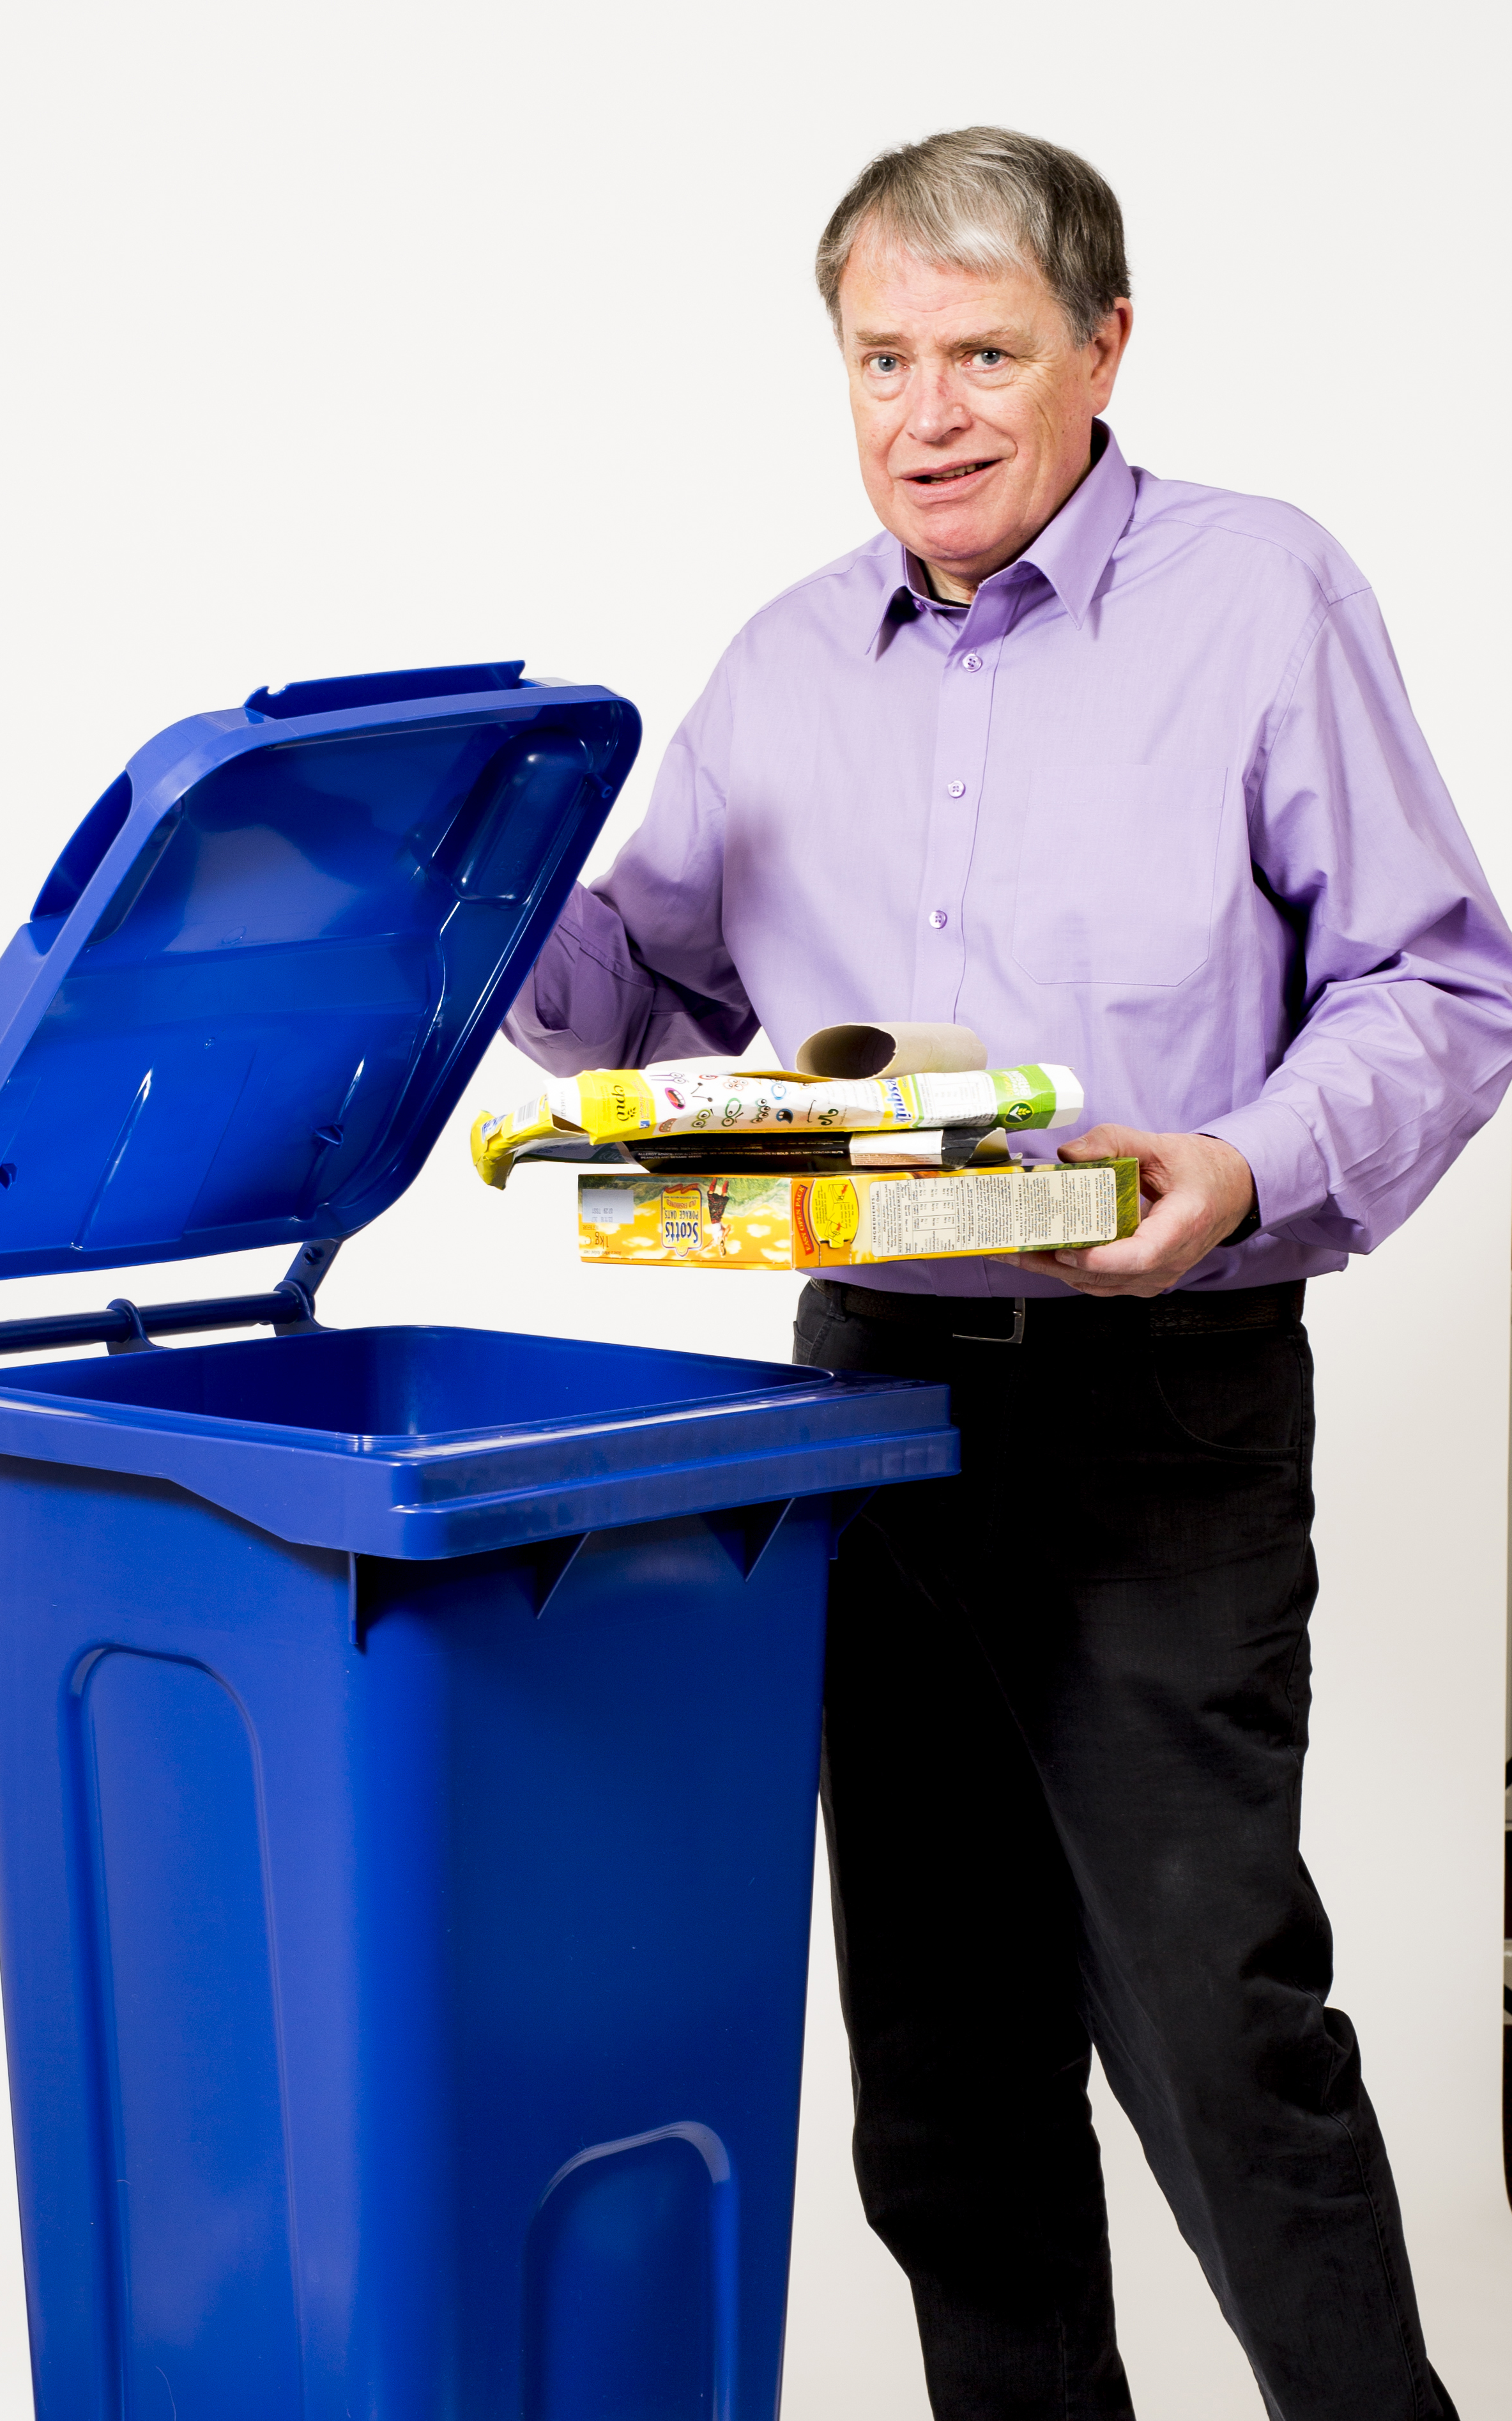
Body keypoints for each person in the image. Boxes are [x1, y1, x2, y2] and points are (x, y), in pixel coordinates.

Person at [503, 127, 1512, 2421]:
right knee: (942, 2089)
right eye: (881, 357)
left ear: (1103, 350)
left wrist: (1243, 1169)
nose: (925, 411)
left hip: (1157, 1398)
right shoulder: (777, 667)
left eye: (983, 351)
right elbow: (644, 991)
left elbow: (1442, 987)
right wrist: (467, 906)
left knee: (1214, 2042)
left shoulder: (1260, 599)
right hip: (864, 1402)